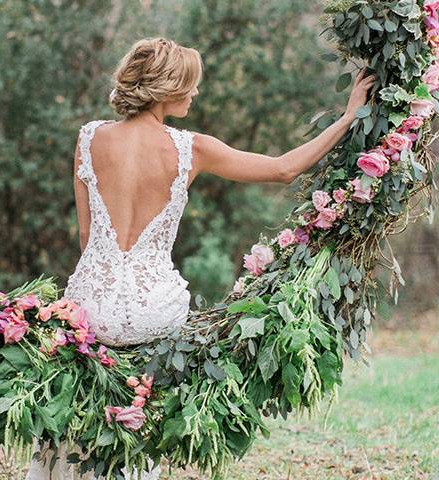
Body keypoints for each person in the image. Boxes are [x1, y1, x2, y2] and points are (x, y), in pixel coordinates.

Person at [25, 36, 376, 480]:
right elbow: (284, 167)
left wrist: (102, 288)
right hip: (153, 309)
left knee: (79, 416)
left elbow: (86, 234)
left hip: (91, 304)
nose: (195, 93)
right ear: (166, 87)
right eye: (189, 84)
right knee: (140, 417)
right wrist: (347, 118)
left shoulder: (89, 138)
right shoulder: (192, 148)